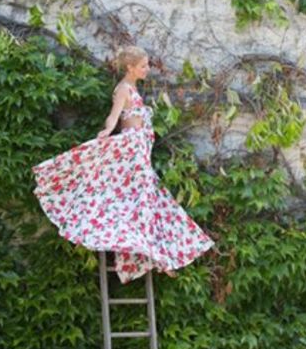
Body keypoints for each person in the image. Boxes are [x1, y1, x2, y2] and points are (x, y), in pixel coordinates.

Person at [33, 46, 213, 283]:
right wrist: (107, 130)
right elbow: (114, 115)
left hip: (140, 151)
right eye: (143, 66)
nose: (147, 69)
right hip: (131, 148)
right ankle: (156, 255)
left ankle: (159, 255)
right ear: (130, 67)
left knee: (148, 200)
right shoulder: (123, 89)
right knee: (141, 200)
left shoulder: (133, 88)